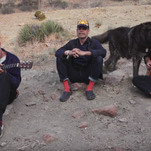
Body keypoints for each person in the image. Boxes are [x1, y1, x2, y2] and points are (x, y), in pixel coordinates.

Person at [55, 20, 106, 102]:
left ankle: (89, 89)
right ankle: (67, 89)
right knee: (60, 57)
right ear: (77, 31)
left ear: (88, 31)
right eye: (79, 29)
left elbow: (103, 52)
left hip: (88, 74)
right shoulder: (72, 43)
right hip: (74, 73)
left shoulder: (93, 42)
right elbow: (57, 52)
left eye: (84, 28)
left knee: (99, 58)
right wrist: (68, 52)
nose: (81, 30)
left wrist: (85, 53)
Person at [0, 42, 21, 137]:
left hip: (8, 93)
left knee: (4, 76)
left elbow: (16, 83)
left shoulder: (13, 59)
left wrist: (5, 72)